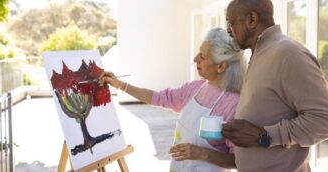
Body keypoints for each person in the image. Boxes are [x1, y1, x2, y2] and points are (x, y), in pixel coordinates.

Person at [222, 0, 328, 171]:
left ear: (252, 20)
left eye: (231, 23)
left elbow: (327, 121)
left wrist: (262, 136)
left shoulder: (288, 54)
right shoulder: (259, 54)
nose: (228, 31)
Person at [99, 27, 246, 171]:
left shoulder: (234, 105)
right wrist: (120, 85)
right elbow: (157, 97)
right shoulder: (195, 88)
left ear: (221, 66)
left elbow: (239, 160)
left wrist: (201, 153)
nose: (195, 59)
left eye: (202, 56)